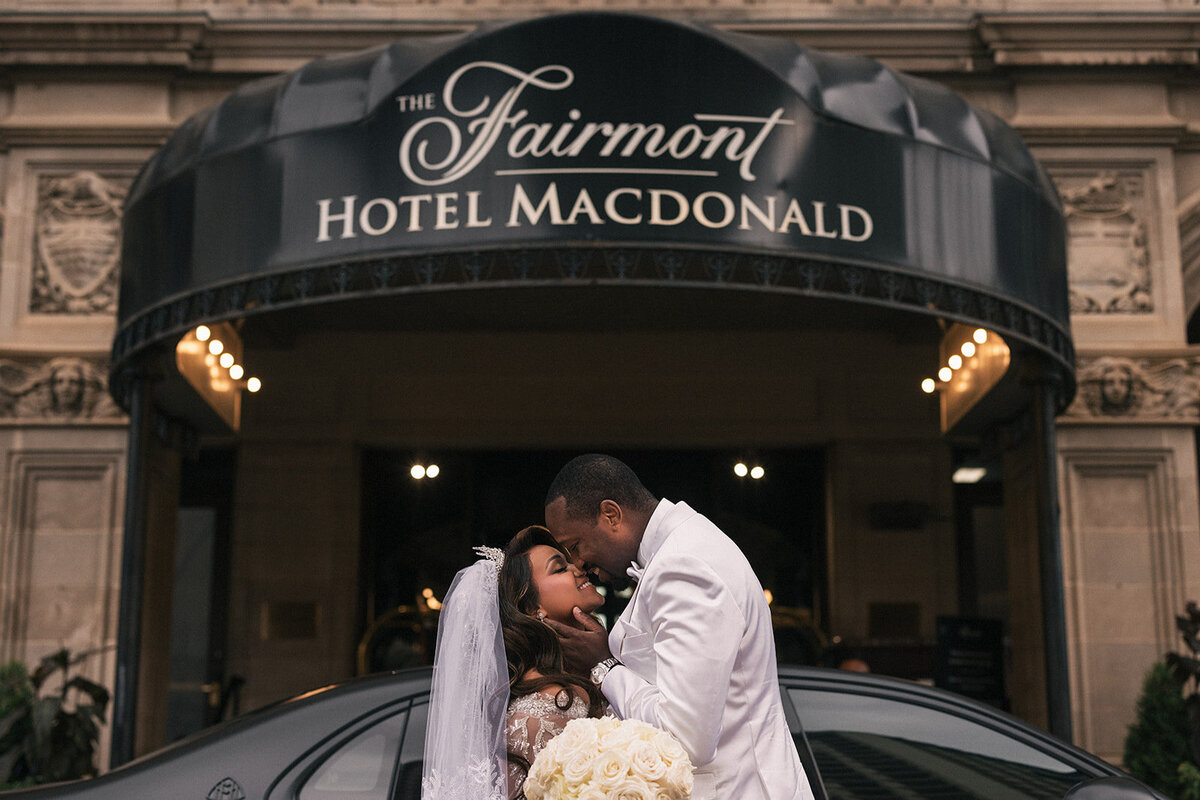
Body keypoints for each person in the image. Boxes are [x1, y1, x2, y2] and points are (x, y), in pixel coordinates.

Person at [543, 454, 815, 800]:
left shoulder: (684, 565)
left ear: (611, 515)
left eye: (575, 546)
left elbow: (686, 737)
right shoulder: (680, 548)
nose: (578, 563)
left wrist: (604, 665)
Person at [421, 525, 607, 800]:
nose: (578, 568)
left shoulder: (571, 679)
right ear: (533, 609)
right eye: (559, 568)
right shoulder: (551, 706)